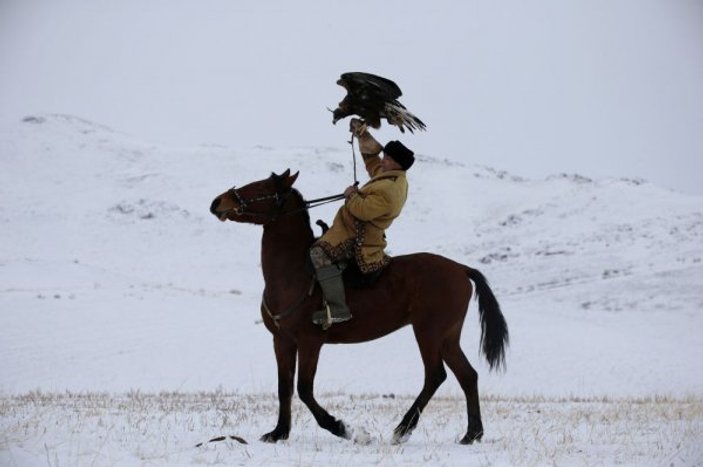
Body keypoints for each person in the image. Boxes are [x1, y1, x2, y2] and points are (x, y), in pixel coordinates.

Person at [310, 118, 415, 328]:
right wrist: (362, 134)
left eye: (387, 157)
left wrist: (351, 195)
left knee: (318, 253)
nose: (383, 159)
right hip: (348, 228)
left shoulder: (390, 189)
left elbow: (363, 211)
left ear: (396, 162)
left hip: (360, 237)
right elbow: (372, 160)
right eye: (385, 155)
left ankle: (338, 308)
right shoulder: (389, 175)